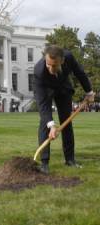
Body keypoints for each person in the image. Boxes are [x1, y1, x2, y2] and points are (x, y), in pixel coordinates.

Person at [34, 45, 95, 174]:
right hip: (47, 89)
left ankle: (70, 160)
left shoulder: (68, 57)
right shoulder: (39, 71)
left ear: (62, 61)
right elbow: (42, 103)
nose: (50, 68)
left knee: (66, 121)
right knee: (45, 123)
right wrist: (51, 125)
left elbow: (80, 73)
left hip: (63, 88)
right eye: (48, 64)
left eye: (54, 65)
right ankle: (44, 163)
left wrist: (89, 92)